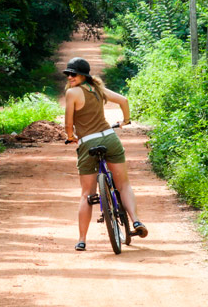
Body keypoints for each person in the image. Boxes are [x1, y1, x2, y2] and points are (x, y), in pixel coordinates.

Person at [62, 57, 148, 251]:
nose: (69, 77)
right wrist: (126, 120)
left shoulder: (72, 93)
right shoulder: (98, 89)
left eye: (73, 74)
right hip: (110, 138)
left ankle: (82, 240)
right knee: (123, 184)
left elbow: (68, 125)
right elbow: (123, 100)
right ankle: (135, 221)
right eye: (68, 74)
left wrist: (70, 136)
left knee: (87, 194)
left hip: (88, 142)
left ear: (83, 76)